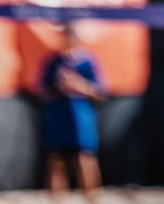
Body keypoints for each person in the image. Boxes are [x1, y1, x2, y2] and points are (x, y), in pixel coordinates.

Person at [39, 21, 107, 201]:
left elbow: (100, 92)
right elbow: (42, 91)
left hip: (80, 119)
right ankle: (56, 199)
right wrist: (59, 87)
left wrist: (78, 85)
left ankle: (91, 198)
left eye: (72, 33)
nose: (68, 37)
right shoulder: (53, 61)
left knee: (84, 160)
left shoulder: (88, 60)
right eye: (66, 33)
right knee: (56, 161)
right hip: (59, 117)